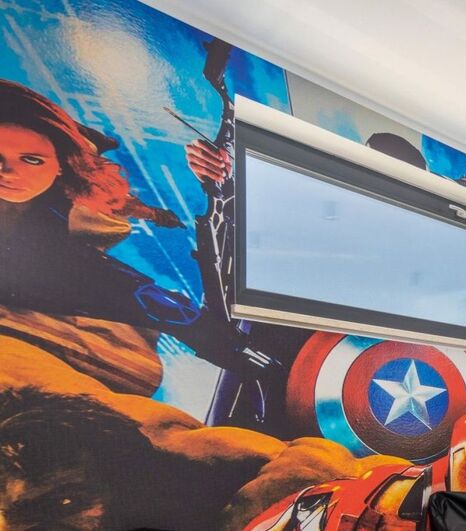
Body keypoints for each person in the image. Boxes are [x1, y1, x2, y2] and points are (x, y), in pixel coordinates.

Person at [0, 79, 268, 376]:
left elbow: (111, 200)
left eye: (31, 160)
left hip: (73, 273)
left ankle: (256, 364)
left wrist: (155, 214)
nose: (8, 174)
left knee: (167, 309)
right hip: (29, 295)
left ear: (61, 163)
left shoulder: (65, 188)